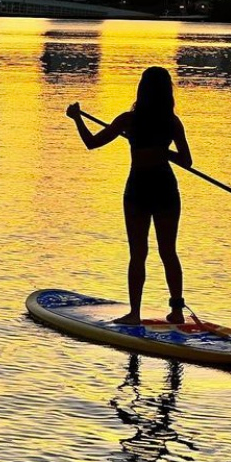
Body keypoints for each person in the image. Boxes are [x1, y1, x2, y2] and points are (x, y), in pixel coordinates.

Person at [66, 66, 193, 325]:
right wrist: (163, 152)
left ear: (142, 90)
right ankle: (177, 311)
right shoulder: (171, 122)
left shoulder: (129, 121)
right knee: (168, 252)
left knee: (138, 253)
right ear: (167, 92)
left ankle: (135, 314)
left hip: (138, 189)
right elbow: (187, 161)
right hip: (165, 188)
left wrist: (77, 117)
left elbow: (91, 143)